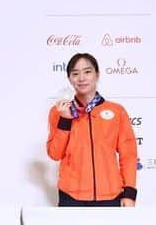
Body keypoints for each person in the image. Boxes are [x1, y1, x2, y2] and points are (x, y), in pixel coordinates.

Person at [46, 52, 137, 207]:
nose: (81, 78)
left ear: (97, 75)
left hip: (111, 196)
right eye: (75, 74)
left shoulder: (116, 111)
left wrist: (129, 193)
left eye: (87, 72)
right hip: (71, 196)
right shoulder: (58, 112)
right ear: (69, 79)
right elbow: (55, 154)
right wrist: (65, 119)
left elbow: (128, 155)